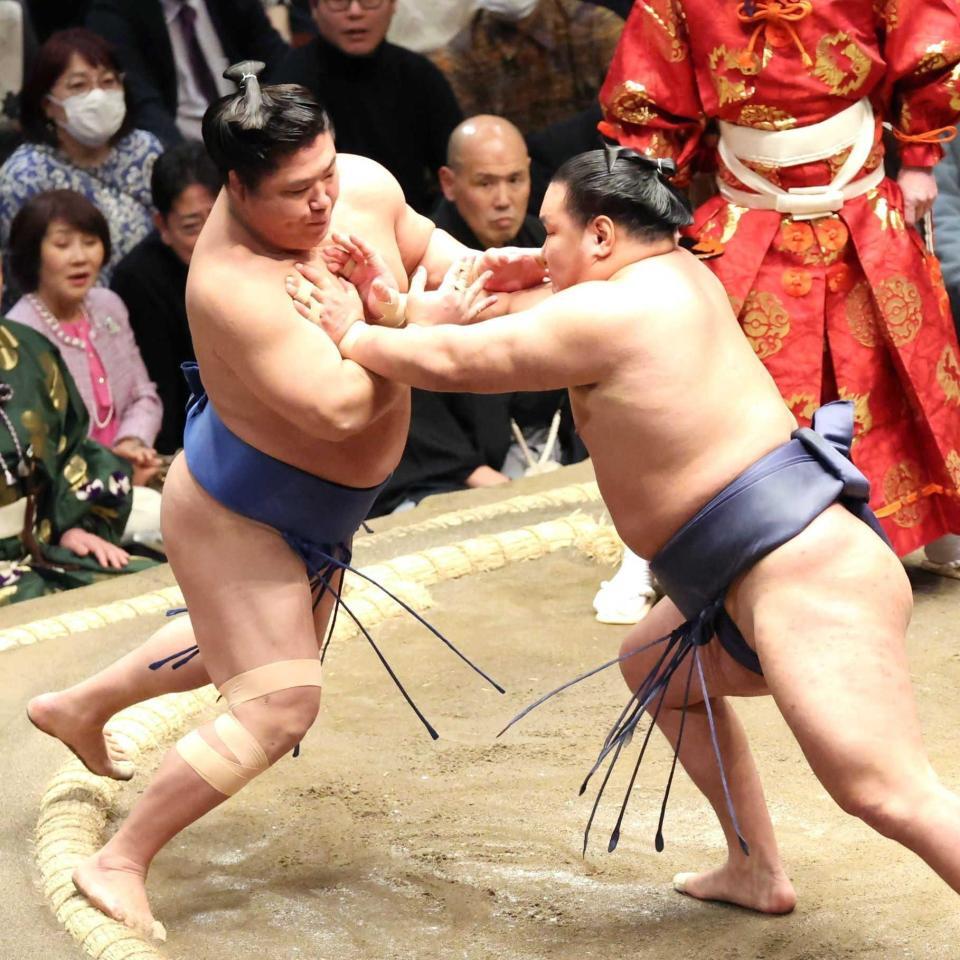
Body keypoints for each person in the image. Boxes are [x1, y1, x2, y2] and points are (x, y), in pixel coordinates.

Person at [301, 147, 960, 914]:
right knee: (656, 663)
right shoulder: (671, 277)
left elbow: (459, 358)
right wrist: (400, 308)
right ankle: (755, 870)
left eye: (550, 232)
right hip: (754, 566)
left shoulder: (612, 310)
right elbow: (502, 315)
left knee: (885, 793)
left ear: (603, 235)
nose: (537, 248)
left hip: (804, 573)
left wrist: (353, 335)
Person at [26, 62, 537, 939]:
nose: (324, 201)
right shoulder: (230, 287)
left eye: (328, 173)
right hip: (240, 512)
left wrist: (486, 279)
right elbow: (343, 408)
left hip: (320, 508)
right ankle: (119, 860)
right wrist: (408, 321)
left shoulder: (360, 185)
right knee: (279, 705)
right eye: (298, 190)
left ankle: (82, 706)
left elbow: (430, 249)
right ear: (237, 185)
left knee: (260, 643)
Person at [597, 0, 960, 570]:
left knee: (897, 368)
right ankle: (675, 546)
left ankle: (934, 522)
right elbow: (648, 101)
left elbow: (927, 40)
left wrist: (918, 159)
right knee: (717, 388)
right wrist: (647, 213)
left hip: (863, 203)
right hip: (747, 211)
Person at [0, 258, 151, 603]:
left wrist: (73, 525)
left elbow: (72, 451)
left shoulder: (29, 352)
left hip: (42, 548)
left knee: (156, 593)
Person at [6, 190, 164, 495]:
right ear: (32, 254)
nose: (80, 257)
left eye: (90, 243)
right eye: (62, 245)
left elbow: (143, 396)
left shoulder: (108, 305)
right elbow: (37, 452)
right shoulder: (18, 334)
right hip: (69, 498)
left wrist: (131, 440)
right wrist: (114, 471)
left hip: (132, 469)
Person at [0, 28, 162, 299]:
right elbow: (21, 276)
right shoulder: (23, 175)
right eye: (78, 86)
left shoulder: (146, 150)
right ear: (47, 105)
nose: (97, 96)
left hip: (155, 306)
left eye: (108, 82)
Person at [266, 0, 463, 214]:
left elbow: (457, 174)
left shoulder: (420, 75)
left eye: (369, 1)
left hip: (415, 226)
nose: (355, 12)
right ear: (314, 7)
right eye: (339, 2)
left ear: (393, 5)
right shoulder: (289, 87)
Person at [112, 142, 219, 454]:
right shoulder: (138, 279)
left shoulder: (255, 243)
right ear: (163, 225)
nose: (207, 237)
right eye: (191, 226)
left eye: (215, 218)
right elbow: (164, 386)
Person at [85, 0, 288, 144]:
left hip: (256, 132)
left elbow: (276, 61)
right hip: (184, 146)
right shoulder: (114, 11)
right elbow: (143, 103)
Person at [429, 0, 623, 136]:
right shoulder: (461, 57)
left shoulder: (595, 27)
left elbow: (635, 113)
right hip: (513, 178)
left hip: (599, 167)